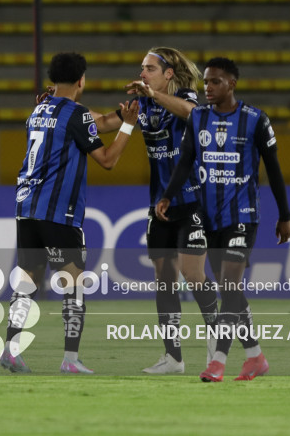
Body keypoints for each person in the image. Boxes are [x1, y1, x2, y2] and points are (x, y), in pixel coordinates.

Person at [0, 52, 139, 374]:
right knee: (73, 287)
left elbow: (100, 122)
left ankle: (10, 349)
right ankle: (71, 360)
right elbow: (106, 159)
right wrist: (129, 127)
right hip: (59, 211)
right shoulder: (75, 114)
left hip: (27, 208)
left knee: (28, 282)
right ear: (82, 80)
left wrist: (128, 113)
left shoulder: (39, 109)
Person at [156, 57, 290, 382]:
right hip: (208, 216)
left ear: (232, 84)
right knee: (230, 292)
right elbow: (186, 160)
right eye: (205, 82)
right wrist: (167, 195)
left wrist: (285, 215)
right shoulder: (198, 118)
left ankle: (217, 361)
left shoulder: (255, 120)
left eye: (215, 82)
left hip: (243, 215)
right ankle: (255, 356)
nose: (208, 88)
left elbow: (273, 169)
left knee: (230, 285)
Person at [91, 47, 218, 375]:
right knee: (164, 281)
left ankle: (219, 338)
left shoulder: (187, 97)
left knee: (193, 274)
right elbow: (104, 123)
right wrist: (64, 106)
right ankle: (173, 358)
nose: (143, 73)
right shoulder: (142, 104)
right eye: (142, 68)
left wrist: (153, 96)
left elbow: (193, 114)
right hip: (159, 206)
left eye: (149, 68)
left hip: (191, 200)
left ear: (168, 74)